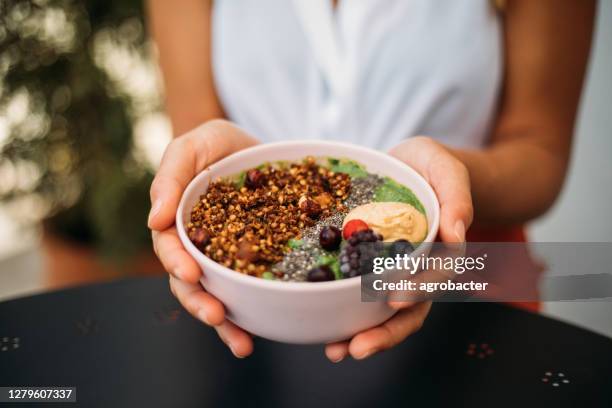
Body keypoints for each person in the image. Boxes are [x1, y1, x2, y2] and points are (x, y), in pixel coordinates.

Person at [146, 0, 594, 362]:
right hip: (248, 307)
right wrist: (193, 186)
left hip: (462, 284)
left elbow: (540, 152)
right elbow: (196, 135)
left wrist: (446, 180)